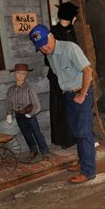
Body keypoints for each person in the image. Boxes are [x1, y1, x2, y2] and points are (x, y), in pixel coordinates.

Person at [29, 24, 95, 184]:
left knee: (84, 134)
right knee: (76, 132)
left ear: (51, 36)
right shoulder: (50, 55)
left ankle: (88, 171)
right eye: (40, 47)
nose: (44, 48)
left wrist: (82, 94)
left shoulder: (70, 48)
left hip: (81, 94)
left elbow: (88, 70)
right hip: (69, 96)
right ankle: (82, 161)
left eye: (45, 43)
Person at [46, 2, 79, 149]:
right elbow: (48, 57)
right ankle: (64, 140)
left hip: (72, 75)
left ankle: (74, 137)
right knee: (61, 108)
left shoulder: (71, 30)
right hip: (58, 76)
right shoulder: (53, 33)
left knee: (72, 107)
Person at [6, 63, 49, 163]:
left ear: (26, 75)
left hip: (30, 115)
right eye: (18, 73)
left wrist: (31, 114)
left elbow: (37, 105)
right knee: (26, 134)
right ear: (15, 74)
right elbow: (9, 103)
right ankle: (33, 150)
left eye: (23, 73)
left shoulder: (29, 89)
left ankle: (45, 152)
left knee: (37, 133)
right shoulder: (11, 90)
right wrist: (9, 113)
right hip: (19, 115)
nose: (20, 76)